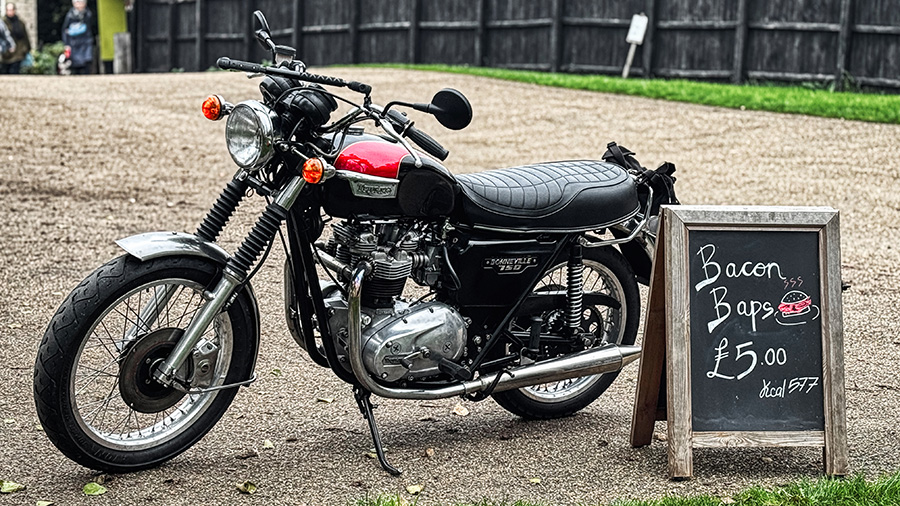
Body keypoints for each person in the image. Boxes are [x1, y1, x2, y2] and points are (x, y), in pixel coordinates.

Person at [61, 0, 93, 75]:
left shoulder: (88, 14)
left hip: (85, 42)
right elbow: (65, 30)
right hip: (73, 42)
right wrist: (66, 43)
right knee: (75, 63)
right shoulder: (70, 15)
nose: (79, 5)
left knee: (86, 62)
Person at [1, 3, 30, 74]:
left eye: (11, 10)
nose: (10, 12)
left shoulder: (20, 23)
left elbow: (25, 37)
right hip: (5, 54)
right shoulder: (3, 24)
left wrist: (26, 49)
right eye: (8, 10)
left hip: (18, 53)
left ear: (14, 10)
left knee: (14, 73)